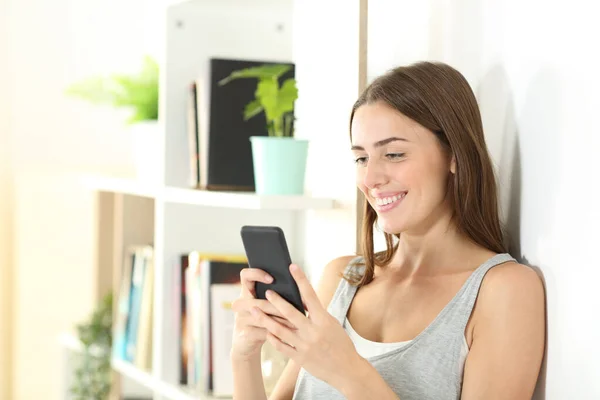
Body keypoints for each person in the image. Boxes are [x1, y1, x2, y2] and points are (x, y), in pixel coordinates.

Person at [230, 61, 546, 400]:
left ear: (455, 154)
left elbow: (344, 371)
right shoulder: (343, 279)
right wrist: (243, 357)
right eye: (361, 158)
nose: (370, 179)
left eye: (394, 154)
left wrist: (347, 371)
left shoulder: (503, 291)